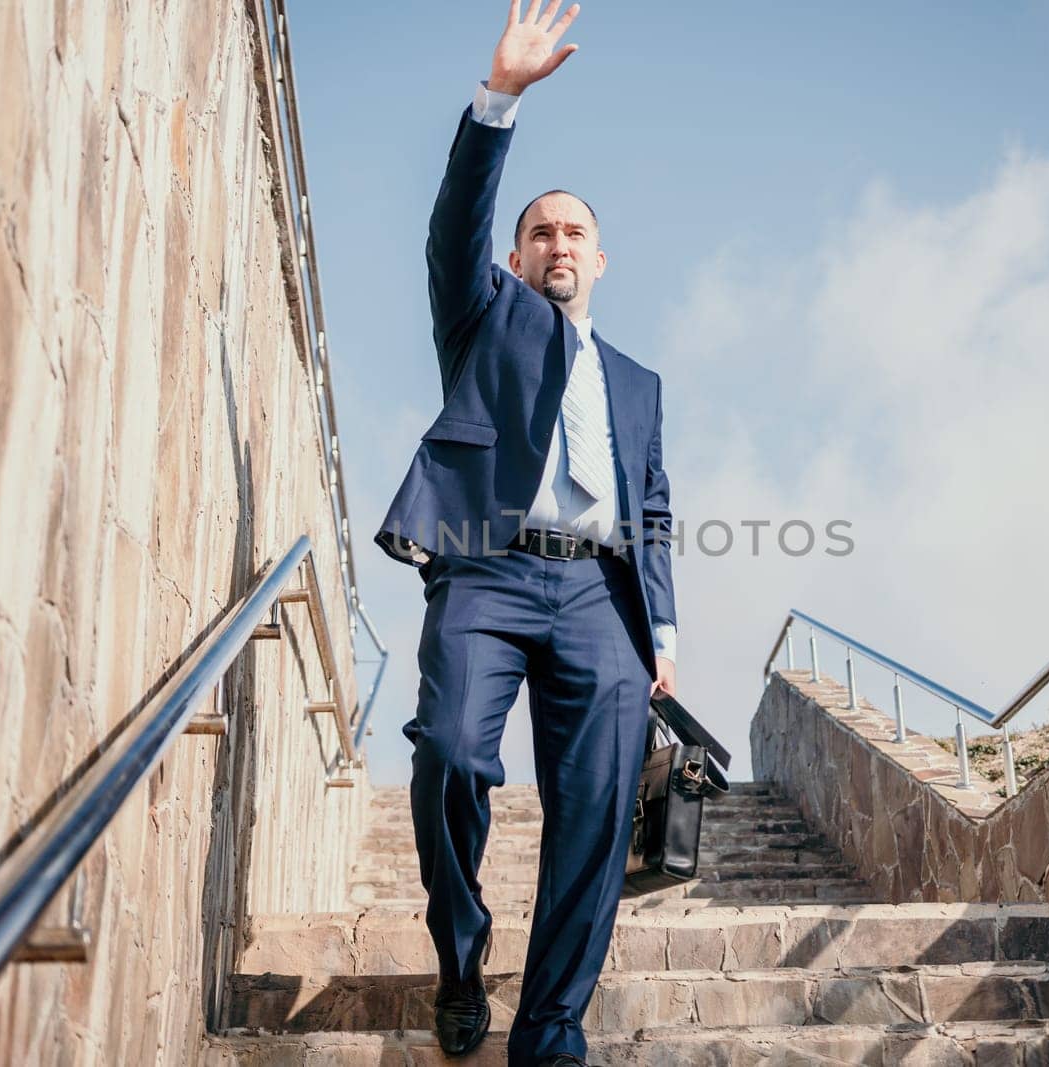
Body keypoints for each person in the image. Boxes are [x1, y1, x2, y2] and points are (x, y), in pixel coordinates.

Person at [370, 2, 678, 1064]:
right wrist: (497, 99)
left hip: (602, 598)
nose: (557, 242)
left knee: (593, 816)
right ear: (516, 253)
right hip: (488, 572)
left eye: (573, 231)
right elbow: (452, 221)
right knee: (451, 750)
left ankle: (549, 1029)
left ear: (601, 258)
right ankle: (461, 961)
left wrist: (664, 632)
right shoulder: (482, 313)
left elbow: (652, 506)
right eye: (539, 229)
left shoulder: (637, 381)